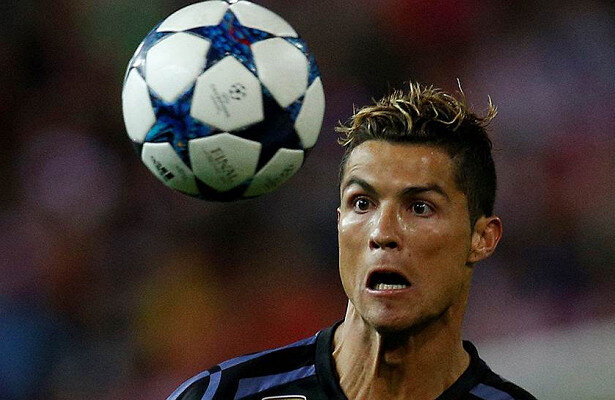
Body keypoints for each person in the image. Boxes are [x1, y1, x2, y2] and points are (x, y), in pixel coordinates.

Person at [167, 82, 537, 400]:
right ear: (339, 222)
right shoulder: (223, 394)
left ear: (482, 238)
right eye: (362, 204)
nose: (382, 233)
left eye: (420, 207)